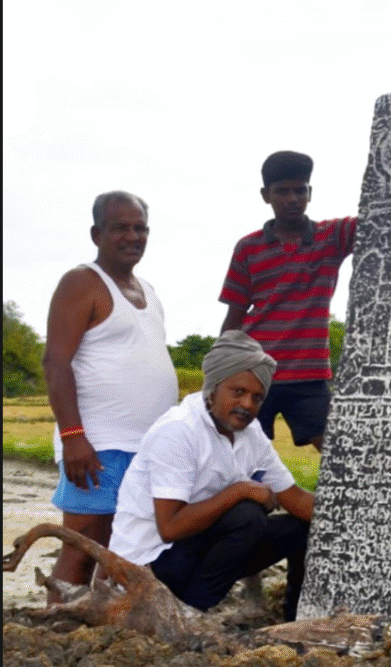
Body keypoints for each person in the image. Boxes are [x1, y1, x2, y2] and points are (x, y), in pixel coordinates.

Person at [109, 331, 314, 621]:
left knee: (304, 528)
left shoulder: (251, 434)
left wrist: (356, 517)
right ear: (214, 387)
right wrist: (239, 490)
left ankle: (298, 618)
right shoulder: (179, 430)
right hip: (147, 565)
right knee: (246, 515)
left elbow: (295, 499)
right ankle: (190, 614)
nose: (247, 405)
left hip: (192, 551)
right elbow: (170, 527)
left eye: (257, 398)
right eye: (238, 392)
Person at [42, 191, 178, 604]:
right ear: (96, 233)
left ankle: (96, 634)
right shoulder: (81, 283)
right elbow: (56, 363)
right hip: (100, 444)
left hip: (146, 447)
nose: (132, 236)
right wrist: (73, 435)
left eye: (140, 228)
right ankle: (54, 634)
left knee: (126, 554)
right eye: (120, 227)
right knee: (83, 548)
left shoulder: (148, 290)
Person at [220, 151, 357, 451]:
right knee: (240, 452)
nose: (293, 198)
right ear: (265, 195)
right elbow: (235, 314)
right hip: (256, 370)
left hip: (309, 374)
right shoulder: (248, 248)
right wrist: (220, 370)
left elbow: (378, 222)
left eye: (300, 190)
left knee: (337, 452)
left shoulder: (330, 237)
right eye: (282, 191)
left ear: (310, 193)